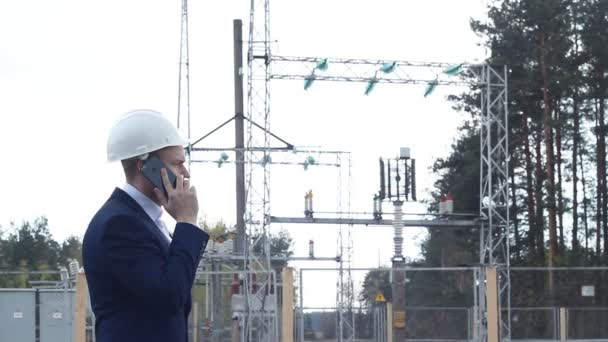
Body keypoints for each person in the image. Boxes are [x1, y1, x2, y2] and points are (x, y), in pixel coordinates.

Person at [83, 109, 209, 342]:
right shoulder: (119, 225)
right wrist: (187, 222)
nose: (185, 173)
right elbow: (169, 297)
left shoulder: (143, 220)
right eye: (177, 164)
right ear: (145, 166)